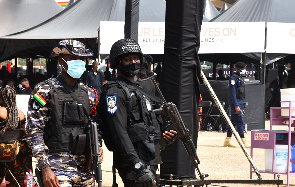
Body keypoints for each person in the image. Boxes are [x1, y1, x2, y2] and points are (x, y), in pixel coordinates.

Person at [98, 38, 177, 187]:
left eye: (135, 58)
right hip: (133, 163)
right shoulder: (115, 92)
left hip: (150, 157)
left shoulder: (139, 89)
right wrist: (136, 165)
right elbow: (118, 132)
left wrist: (165, 134)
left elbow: (150, 122)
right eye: (127, 59)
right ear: (117, 63)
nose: (133, 62)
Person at [26, 40, 103, 187]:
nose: (79, 62)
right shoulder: (43, 91)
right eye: (74, 59)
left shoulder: (89, 93)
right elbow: (33, 131)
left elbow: (96, 125)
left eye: (82, 59)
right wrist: (45, 168)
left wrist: (97, 146)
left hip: (85, 168)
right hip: (55, 166)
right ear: (61, 61)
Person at [0, 87, 32, 186]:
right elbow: (25, 131)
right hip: (16, 151)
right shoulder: (21, 114)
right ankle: (17, 179)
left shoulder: (0, 112)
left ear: (2, 98)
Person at [224, 61, 250, 148]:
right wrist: (236, 105)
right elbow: (232, 93)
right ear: (239, 69)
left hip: (240, 101)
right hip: (236, 101)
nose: (244, 70)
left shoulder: (240, 78)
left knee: (234, 121)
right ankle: (243, 140)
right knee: (240, 120)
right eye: (243, 69)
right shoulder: (233, 79)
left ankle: (227, 140)